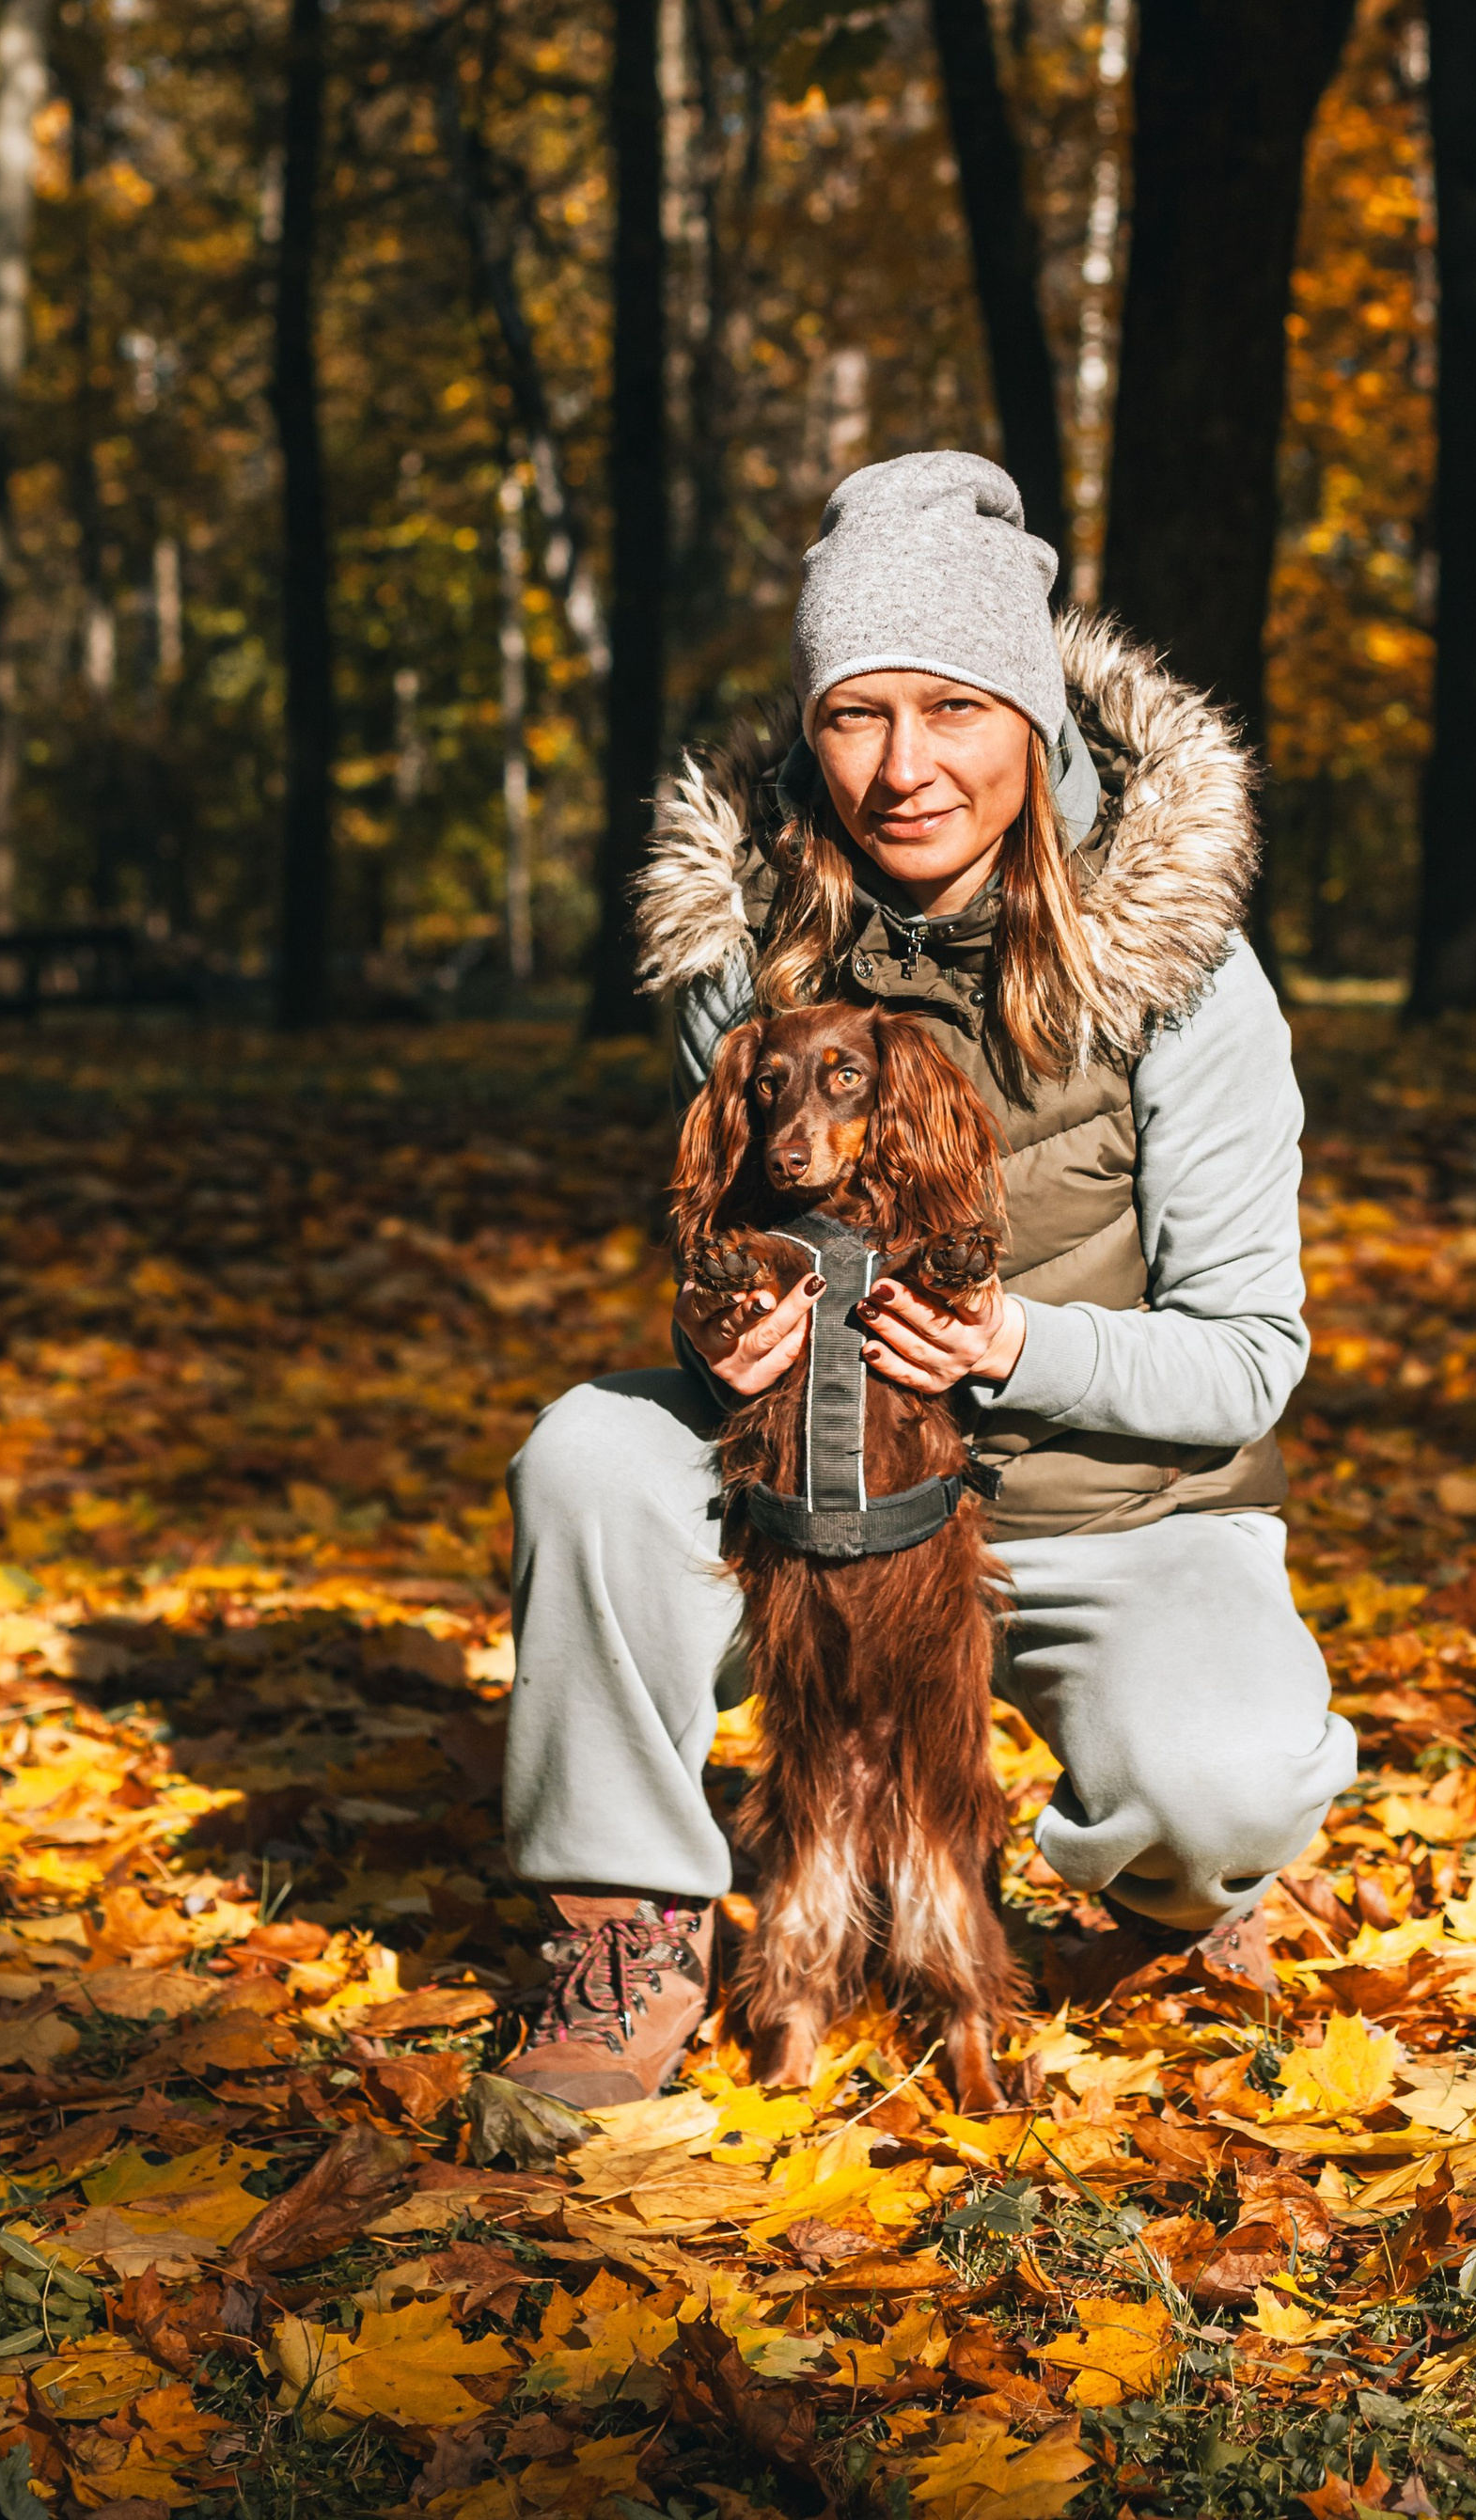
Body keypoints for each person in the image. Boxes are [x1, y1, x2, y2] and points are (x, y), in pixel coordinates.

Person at [500, 449, 1357, 2103]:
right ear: (809, 731)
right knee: (588, 1457)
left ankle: (1187, 1892)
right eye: (857, 716)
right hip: (821, 1493)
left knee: (1222, 1785)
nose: (905, 769)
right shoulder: (742, 945)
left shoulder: (1183, 969)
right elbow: (718, 1226)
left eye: (954, 708)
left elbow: (1251, 1355)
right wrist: (718, 1330)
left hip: (1100, 1512)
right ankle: (628, 1928)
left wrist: (1015, 1341)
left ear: (1031, 718)